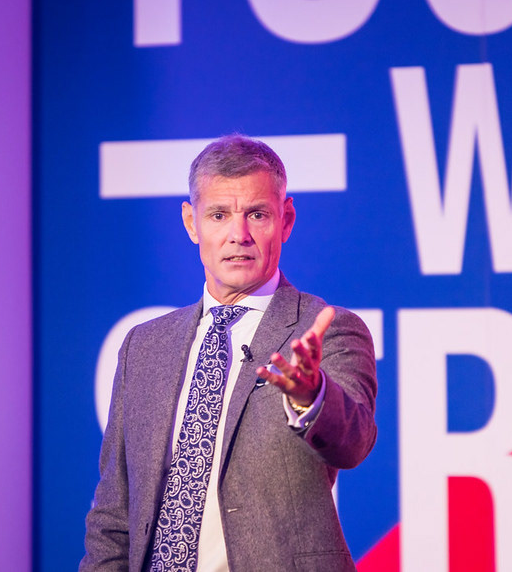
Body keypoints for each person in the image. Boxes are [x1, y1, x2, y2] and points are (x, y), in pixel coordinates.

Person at [80, 134, 377, 571]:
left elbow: (353, 441)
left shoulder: (327, 329)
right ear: (191, 222)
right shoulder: (144, 347)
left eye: (256, 214)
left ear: (286, 218)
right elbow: (114, 514)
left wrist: (310, 395)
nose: (238, 235)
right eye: (219, 215)